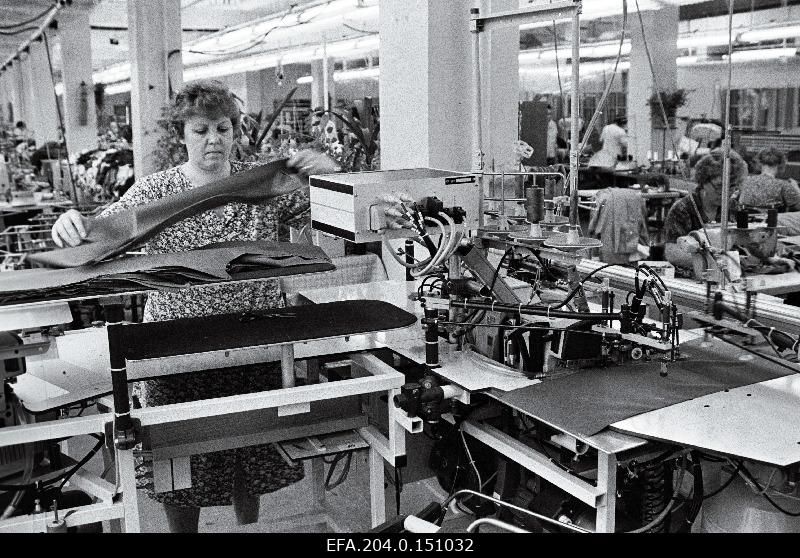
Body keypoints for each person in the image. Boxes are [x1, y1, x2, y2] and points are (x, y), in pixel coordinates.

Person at [50, 79, 338, 533]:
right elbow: (100, 231)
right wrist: (68, 225)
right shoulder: (157, 192)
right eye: (201, 129)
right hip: (177, 351)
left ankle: (248, 528)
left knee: (251, 451)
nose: (213, 139)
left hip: (252, 342)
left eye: (223, 128)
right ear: (181, 134)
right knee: (178, 462)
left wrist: (328, 171)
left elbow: (334, 204)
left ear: (235, 130)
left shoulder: (262, 184)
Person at [663, 148, 748, 269]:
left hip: (725, 272)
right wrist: (714, 261)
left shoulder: (733, 207)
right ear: (703, 181)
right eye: (719, 186)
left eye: (732, 187)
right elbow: (673, 253)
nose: (725, 193)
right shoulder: (683, 209)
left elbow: (741, 243)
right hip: (689, 277)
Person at [738, 147, 800, 212]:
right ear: (781, 164)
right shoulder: (784, 186)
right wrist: (796, 188)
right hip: (772, 220)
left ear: (759, 162)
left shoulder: (745, 182)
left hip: (746, 220)